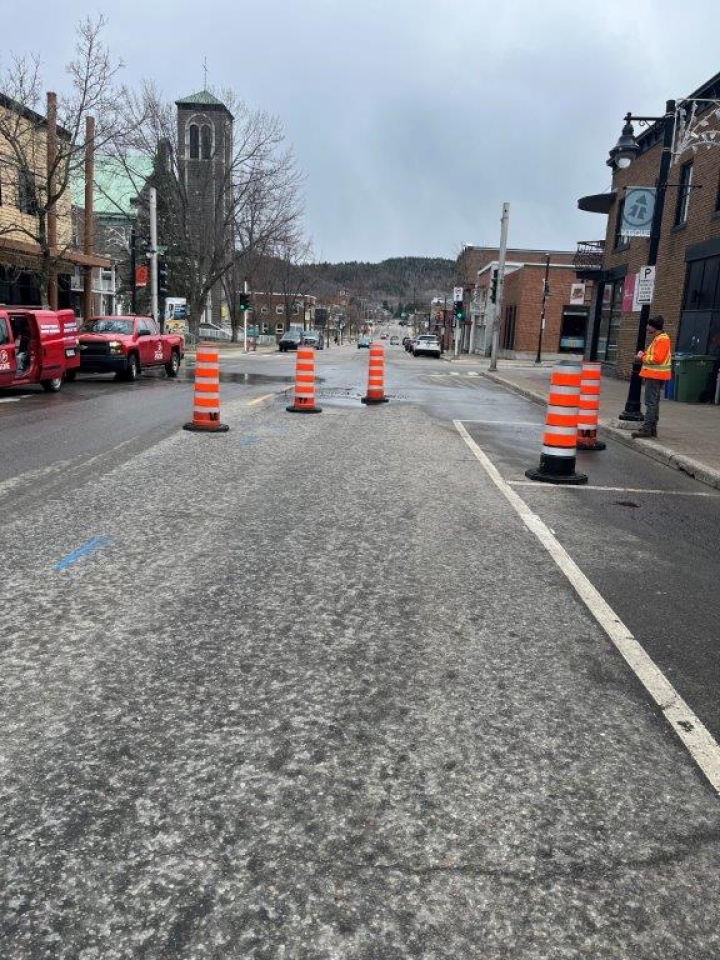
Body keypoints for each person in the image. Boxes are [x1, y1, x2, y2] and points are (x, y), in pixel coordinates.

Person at [631, 315, 672, 439]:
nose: (647, 327)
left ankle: (647, 429)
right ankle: (652, 428)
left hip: (655, 375)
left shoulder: (662, 339)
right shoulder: (658, 338)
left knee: (651, 402)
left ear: (654, 326)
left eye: (649, 325)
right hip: (655, 375)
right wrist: (644, 354)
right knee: (654, 402)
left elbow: (657, 359)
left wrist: (641, 358)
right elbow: (654, 355)